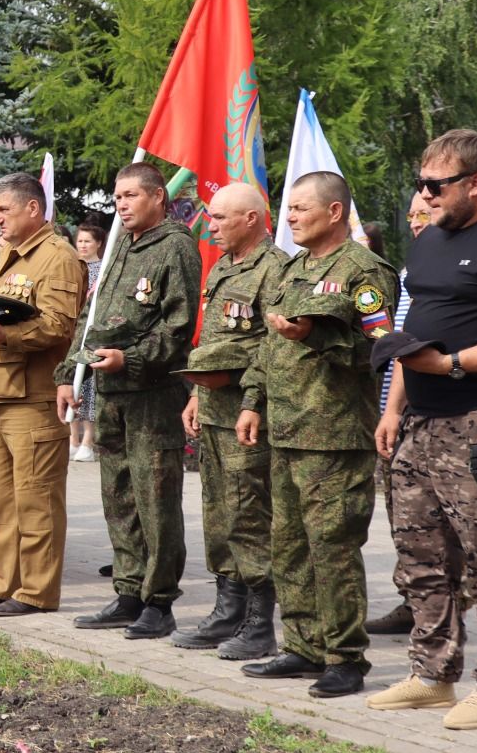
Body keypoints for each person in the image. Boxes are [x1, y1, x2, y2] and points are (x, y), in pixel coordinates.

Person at [370, 129, 477, 730]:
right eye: (420, 184)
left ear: (475, 183)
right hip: (421, 419)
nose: (423, 196)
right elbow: (411, 330)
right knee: (419, 552)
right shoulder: (430, 240)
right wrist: (394, 407)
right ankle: (432, 675)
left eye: (434, 185)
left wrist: (451, 364)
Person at [236, 171, 397, 699]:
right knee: (288, 546)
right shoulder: (291, 269)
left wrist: (321, 337)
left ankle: (345, 657)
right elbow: (267, 347)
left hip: (334, 434)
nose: (290, 217)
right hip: (285, 429)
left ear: (334, 212)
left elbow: (381, 349)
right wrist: (252, 401)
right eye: (288, 209)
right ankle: (302, 645)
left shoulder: (363, 271)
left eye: (301, 208)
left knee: (332, 548)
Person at [62, 163, 200, 640]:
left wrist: (132, 359)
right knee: (117, 494)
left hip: (151, 394)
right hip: (111, 392)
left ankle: (159, 602)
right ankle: (127, 590)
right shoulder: (122, 245)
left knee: (155, 499)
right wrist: (68, 373)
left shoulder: (175, 246)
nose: (121, 204)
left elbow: (178, 328)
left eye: (131, 195)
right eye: (117, 196)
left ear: (158, 197)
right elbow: (92, 315)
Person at [0, 173, 85, 617]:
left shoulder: (57, 258)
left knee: (36, 499)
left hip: (33, 397)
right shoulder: (10, 256)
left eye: (3, 211)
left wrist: (3, 334)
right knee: (2, 498)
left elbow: (57, 326)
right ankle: (3, 581)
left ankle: (36, 591)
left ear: (33, 209)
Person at [173, 184, 289, 658]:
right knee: (218, 514)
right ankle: (228, 610)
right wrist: (198, 395)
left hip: (248, 413)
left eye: (220, 218)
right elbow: (216, 338)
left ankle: (260, 623)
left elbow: (272, 348)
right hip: (216, 410)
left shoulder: (275, 269)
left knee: (249, 515)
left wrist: (253, 404)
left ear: (251, 219)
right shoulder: (223, 264)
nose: (211, 226)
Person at [367, 191, 434, 637]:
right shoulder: (412, 268)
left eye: (423, 212)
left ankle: (435, 606)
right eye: (410, 213)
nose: (414, 221)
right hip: (398, 409)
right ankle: (413, 601)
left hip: (434, 409)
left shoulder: (457, 266)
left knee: (431, 520)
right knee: (403, 516)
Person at [71, 223, 106, 461]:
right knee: (71, 384)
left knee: (89, 387)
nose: (82, 245)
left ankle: (88, 441)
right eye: (80, 241)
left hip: (92, 336)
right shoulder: (72, 267)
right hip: (72, 334)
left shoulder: (104, 270)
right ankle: (73, 438)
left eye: (87, 241)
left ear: (98, 244)